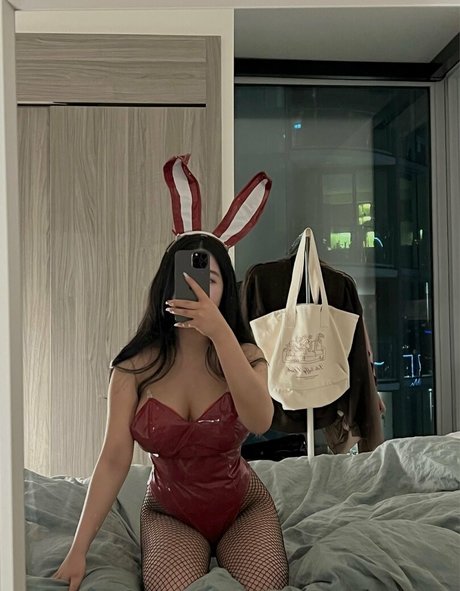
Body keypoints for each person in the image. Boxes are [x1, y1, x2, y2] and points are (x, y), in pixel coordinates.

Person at [53, 156, 289, 591]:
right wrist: (78, 549)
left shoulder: (246, 354)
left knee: (265, 585)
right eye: (186, 276)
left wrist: (220, 334)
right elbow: (114, 459)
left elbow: (260, 420)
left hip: (243, 507)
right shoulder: (133, 368)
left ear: (226, 289)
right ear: (167, 284)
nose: (197, 287)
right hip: (169, 512)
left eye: (210, 278)